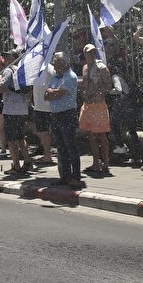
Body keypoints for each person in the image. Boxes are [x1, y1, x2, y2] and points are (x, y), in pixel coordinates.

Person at [46, 52, 84, 188]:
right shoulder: (56, 77)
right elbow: (47, 95)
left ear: (64, 63)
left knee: (70, 146)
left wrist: (52, 92)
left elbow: (59, 93)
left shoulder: (71, 77)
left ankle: (76, 176)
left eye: (56, 61)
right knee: (61, 148)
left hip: (67, 114)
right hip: (56, 114)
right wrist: (52, 92)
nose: (54, 64)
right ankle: (65, 175)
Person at [0, 48, 34, 176]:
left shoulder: (7, 71)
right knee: (20, 138)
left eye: (7, 57)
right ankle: (27, 161)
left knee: (11, 140)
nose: (4, 59)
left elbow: (1, 87)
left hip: (11, 109)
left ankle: (16, 166)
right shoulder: (21, 70)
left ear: (13, 58)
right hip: (22, 109)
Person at [79, 45, 113, 176]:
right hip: (88, 104)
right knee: (91, 136)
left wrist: (97, 92)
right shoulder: (85, 68)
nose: (90, 55)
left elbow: (109, 86)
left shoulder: (101, 68)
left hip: (98, 104)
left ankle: (105, 163)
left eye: (93, 52)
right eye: (88, 53)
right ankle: (95, 163)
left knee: (102, 136)